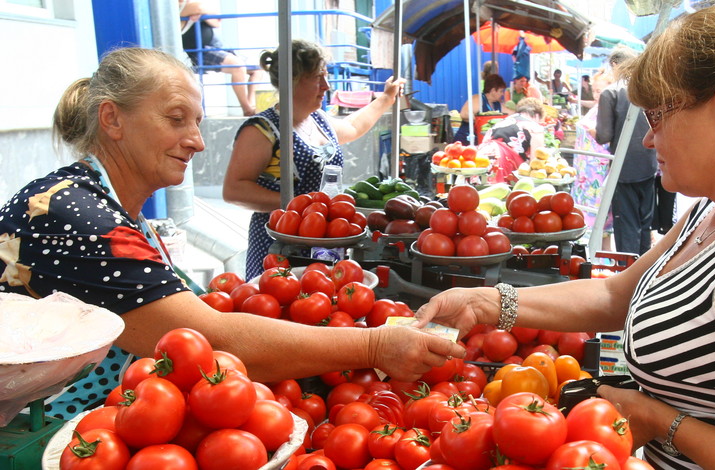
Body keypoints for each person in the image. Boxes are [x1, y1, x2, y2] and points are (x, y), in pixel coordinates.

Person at [415, 3, 715, 469]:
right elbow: (614, 295)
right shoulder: (712, 211)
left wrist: (655, 417)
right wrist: (486, 303)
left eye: (658, 117)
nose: (649, 139)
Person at [0, 47, 463, 420]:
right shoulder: (75, 214)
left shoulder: (107, 204)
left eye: (197, 122)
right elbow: (207, 339)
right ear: (112, 119)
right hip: (44, 429)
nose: (198, 141)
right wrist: (375, 344)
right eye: (176, 118)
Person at [222, 39, 405, 280]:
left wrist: (386, 98)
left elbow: (352, 125)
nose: (326, 86)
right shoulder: (262, 130)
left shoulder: (319, 120)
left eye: (325, 76)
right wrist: (301, 206)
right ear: (293, 81)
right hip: (280, 242)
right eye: (318, 77)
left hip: (325, 240)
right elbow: (234, 190)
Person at [596, 45, 657, 255]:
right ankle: (643, 271)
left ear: (615, 64)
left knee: (626, 226)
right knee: (644, 223)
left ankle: (626, 275)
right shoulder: (650, 88)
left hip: (624, 169)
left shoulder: (610, 93)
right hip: (650, 164)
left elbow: (603, 135)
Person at [179, 0, 262, 116]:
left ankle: (251, 105)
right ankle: (247, 109)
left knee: (257, 69)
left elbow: (217, 21)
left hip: (217, 46)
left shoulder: (187, 6)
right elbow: (198, 8)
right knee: (237, 67)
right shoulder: (175, 10)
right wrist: (201, 12)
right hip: (201, 52)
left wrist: (203, 14)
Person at [483, 97, 546, 184]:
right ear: (537, 116)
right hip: (501, 166)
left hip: (481, 161)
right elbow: (536, 162)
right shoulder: (535, 128)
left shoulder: (504, 121)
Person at [453, 73, 506, 144]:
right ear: (493, 90)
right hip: (466, 141)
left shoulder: (496, 104)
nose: (502, 94)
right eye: (501, 91)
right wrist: (482, 120)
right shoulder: (478, 99)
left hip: (482, 142)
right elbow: (464, 114)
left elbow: (511, 113)